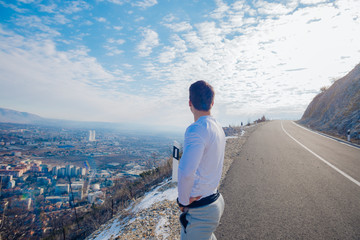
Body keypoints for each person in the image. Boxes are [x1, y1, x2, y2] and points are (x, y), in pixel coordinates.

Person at [177, 80, 226, 240]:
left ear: (190, 103)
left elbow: (185, 172)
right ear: (212, 102)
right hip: (215, 202)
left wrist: (183, 202)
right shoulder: (218, 128)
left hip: (201, 211)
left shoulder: (196, 129)